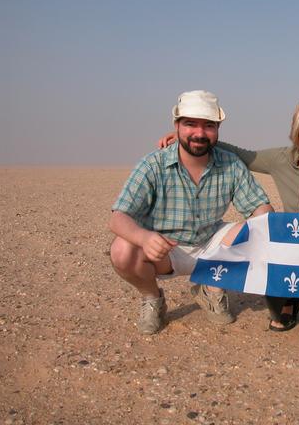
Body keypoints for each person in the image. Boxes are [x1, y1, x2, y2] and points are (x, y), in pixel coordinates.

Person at [159, 100, 299, 335]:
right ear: (298, 136)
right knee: (264, 239)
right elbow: (242, 155)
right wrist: (193, 139)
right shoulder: (282, 159)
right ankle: (290, 300)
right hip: (291, 241)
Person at [110, 90, 272, 334]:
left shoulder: (230, 164)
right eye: (190, 124)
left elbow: (259, 206)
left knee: (262, 224)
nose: (199, 133)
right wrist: (145, 238)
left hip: (213, 245)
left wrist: (262, 224)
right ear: (176, 126)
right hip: (166, 249)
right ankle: (152, 299)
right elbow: (118, 217)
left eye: (208, 125)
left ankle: (211, 286)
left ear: (218, 129)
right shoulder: (152, 165)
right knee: (122, 250)